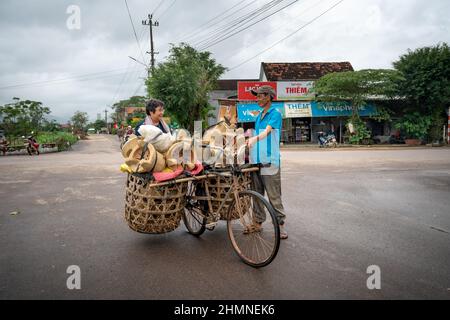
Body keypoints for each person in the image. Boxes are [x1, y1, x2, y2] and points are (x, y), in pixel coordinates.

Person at [246, 85, 288, 239]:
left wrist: (254, 138)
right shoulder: (259, 116)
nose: (257, 98)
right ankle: (257, 223)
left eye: (260, 95)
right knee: (257, 194)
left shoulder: (275, 113)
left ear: (269, 96)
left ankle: (281, 225)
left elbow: (267, 132)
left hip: (270, 161)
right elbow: (257, 136)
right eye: (256, 96)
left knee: (273, 195)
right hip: (256, 161)